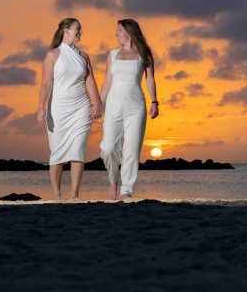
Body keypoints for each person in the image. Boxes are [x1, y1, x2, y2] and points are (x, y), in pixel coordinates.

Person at [37, 18, 102, 201]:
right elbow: (46, 83)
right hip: (58, 109)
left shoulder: (83, 56)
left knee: (78, 150)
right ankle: (56, 195)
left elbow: (89, 81)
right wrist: (40, 108)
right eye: (77, 29)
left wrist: (97, 104)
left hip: (82, 107)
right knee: (57, 152)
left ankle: (74, 195)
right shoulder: (53, 55)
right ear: (66, 30)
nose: (81, 32)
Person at [99, 19, 159, 200]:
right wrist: (98, 104)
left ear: (129, 32)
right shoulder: (112, 54)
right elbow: (108, 81)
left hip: (136, 105)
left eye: (119, 30)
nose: (116, 34)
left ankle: (126, 190)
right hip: (113, 104)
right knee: (109, 147)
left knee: (131, 149)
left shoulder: (144, 54)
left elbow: (150, 79)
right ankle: (113, 179)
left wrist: (154, 101)